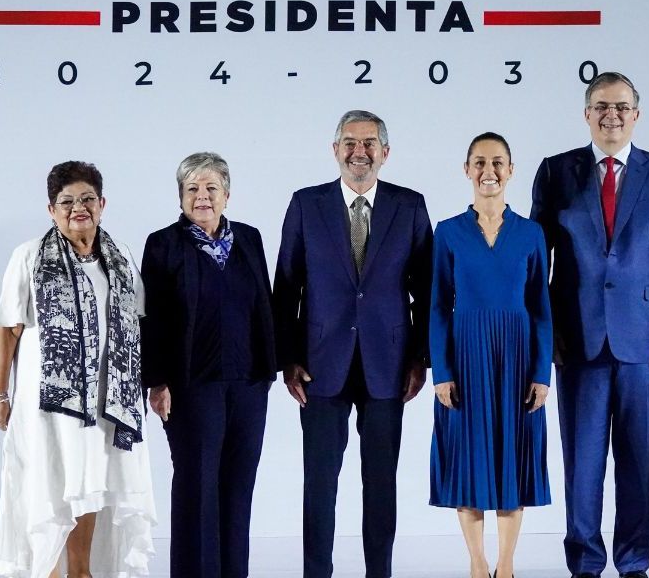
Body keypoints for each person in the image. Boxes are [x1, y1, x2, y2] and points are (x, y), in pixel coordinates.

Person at [530, 72, 649, 578]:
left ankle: (635, 560)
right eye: (602, 106)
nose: (612, 115)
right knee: (583, 463)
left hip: (645, 338)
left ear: (637, 115)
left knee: (640, 459)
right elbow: (537, 261)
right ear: (586, 114)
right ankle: (584, 561)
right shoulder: (557, 171)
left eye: (622, 107)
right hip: (577, 337)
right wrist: (544, 331)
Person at [274, 110, 433, 578]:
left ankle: (378, 572)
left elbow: (425, 289)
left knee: (380, 482)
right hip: (320, 366)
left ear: (385, 152)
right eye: (349, 142)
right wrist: (289, 358)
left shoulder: (410, 206)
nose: (358, 151)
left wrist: (419, 359)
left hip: (389, 365)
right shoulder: (306, 204)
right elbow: (287, 286)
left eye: (368, 143)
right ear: (335, 149)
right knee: (319, 484)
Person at [0, 160, 155, 578]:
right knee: (49, 485)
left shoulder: (119, 259)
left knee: (90, 486)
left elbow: (137, 323)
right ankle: (48, 572)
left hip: (104, 403)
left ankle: (82, 572)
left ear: (102, 204)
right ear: (51, 210)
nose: (78, 208)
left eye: (86, 199)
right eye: (66, 201)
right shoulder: (28, 257)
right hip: (47, 404)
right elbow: (7, 328)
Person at [140, 152, 277, 578]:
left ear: (227, 195)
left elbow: (265, 306)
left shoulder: (250, 238)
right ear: (180, 197)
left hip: (248, 384)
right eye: (193, 189)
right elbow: (152, 317)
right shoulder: (163, 244)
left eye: (211, 188)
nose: (202, 196)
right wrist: (157, 381)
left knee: (238, 489)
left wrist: (271, 371)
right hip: (190, 387)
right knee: (197, 488)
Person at [430, 132, 554, 578]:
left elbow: (541, 306)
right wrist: (441, 372)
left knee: (512, 461)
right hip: (465, 359)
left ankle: (506, 565)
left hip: (518, 361)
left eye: (498, 162)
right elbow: (438, 306)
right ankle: (478, 564)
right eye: (479, 162)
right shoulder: (447, 233)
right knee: (468, 460)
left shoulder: (531, 233)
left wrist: (542, 373)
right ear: (466, 170)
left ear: (511, 170)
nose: (489, 171)